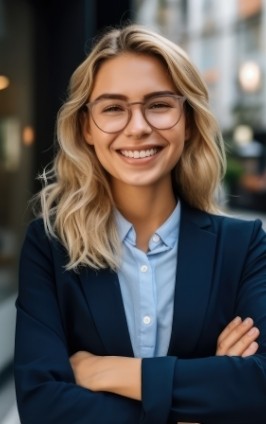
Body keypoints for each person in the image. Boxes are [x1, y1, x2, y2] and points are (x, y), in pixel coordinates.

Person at [14, 24, 266, 424]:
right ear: (87, 128)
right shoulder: (49, 246)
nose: (138, 127)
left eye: (159, 104)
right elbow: (42, 406)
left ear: (187, 120)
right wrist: (199, 397)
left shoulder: (244, 245)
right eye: (113, 108)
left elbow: (258, 386)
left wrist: (107, 372)